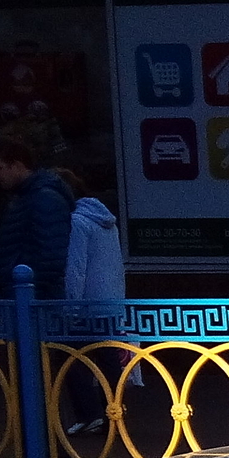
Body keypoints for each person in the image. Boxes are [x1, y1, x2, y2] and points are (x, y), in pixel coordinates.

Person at [58, 172, 129, 436]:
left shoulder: (77, 222)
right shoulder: (106, 220)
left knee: (72, 359)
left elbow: (76, 268)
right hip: (109, 301)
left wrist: (70, 306)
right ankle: (115, 413)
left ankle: (89, 415)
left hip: (86, 305)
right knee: (108, 360)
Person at [0, 137, 72, 298]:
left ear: (18, 166)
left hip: (31, 298)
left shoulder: (43, 198)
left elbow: (51, 257)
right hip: (24, 295)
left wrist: (27, 289)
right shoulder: (25, 198)